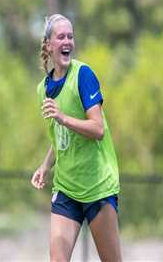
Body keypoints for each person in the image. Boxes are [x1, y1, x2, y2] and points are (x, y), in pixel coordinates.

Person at [31, 14, 122, 261]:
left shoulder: (83, 76)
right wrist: (46, 165)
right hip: (67, 188)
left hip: (97, 187)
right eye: (61, 37)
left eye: (70, 36)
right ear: (48, 45)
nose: (67, 41)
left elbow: (97, 129)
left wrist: (63, 117)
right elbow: (60, 137)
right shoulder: (44, 89)